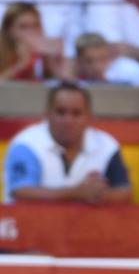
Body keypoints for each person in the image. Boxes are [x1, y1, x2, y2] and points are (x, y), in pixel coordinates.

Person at [3, 82, 132, 205]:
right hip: (28, 225)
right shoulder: (27, 144)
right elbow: (21, 192)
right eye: (61, 112)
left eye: (76, 113)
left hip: (87, 225)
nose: (68, 120)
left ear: (89, 117)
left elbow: (125, 193)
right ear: (47, 114)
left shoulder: (106, 145)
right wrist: (77, 194)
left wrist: (96, 194)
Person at [0, 3, 61, 80]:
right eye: (23, 27)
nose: (31, 32)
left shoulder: (50, 48)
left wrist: (50, 60)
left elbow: (67, 85)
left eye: (35, 26)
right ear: (9, 30)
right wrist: (22, 64)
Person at [71, 31, 139, 84]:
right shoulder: (72, 85)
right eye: (89, 61)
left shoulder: (127, 76)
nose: (97, 67)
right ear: (78, 61)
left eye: (102, 59)